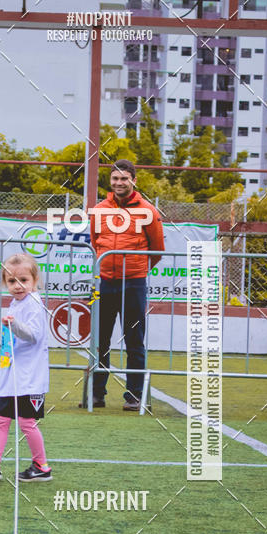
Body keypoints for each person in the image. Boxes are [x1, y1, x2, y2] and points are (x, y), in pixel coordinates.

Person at [89, 159, 164, 410]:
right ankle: (96, 394)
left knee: (134, 340)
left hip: (134, 284)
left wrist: (136, 270)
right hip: (104, 284)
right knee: (100, 340)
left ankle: (134, 396)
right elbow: (95, 243)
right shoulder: (99, 209)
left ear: (134, 180)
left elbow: (157, 250)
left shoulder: (148, 211)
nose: (119, 183)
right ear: (110, 181)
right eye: (115, 178)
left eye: (124, 178)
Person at [0, 253, 51, 482]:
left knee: (27, 422)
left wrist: (14, 324)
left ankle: (42, 466)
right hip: (11, 374)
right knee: (1, 419)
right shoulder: (15, 303)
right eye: (11, 281)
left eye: (24, 280)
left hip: (30, 377)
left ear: (35, 281)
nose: (18, 286)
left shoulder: (35, 304)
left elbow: (34, 336)